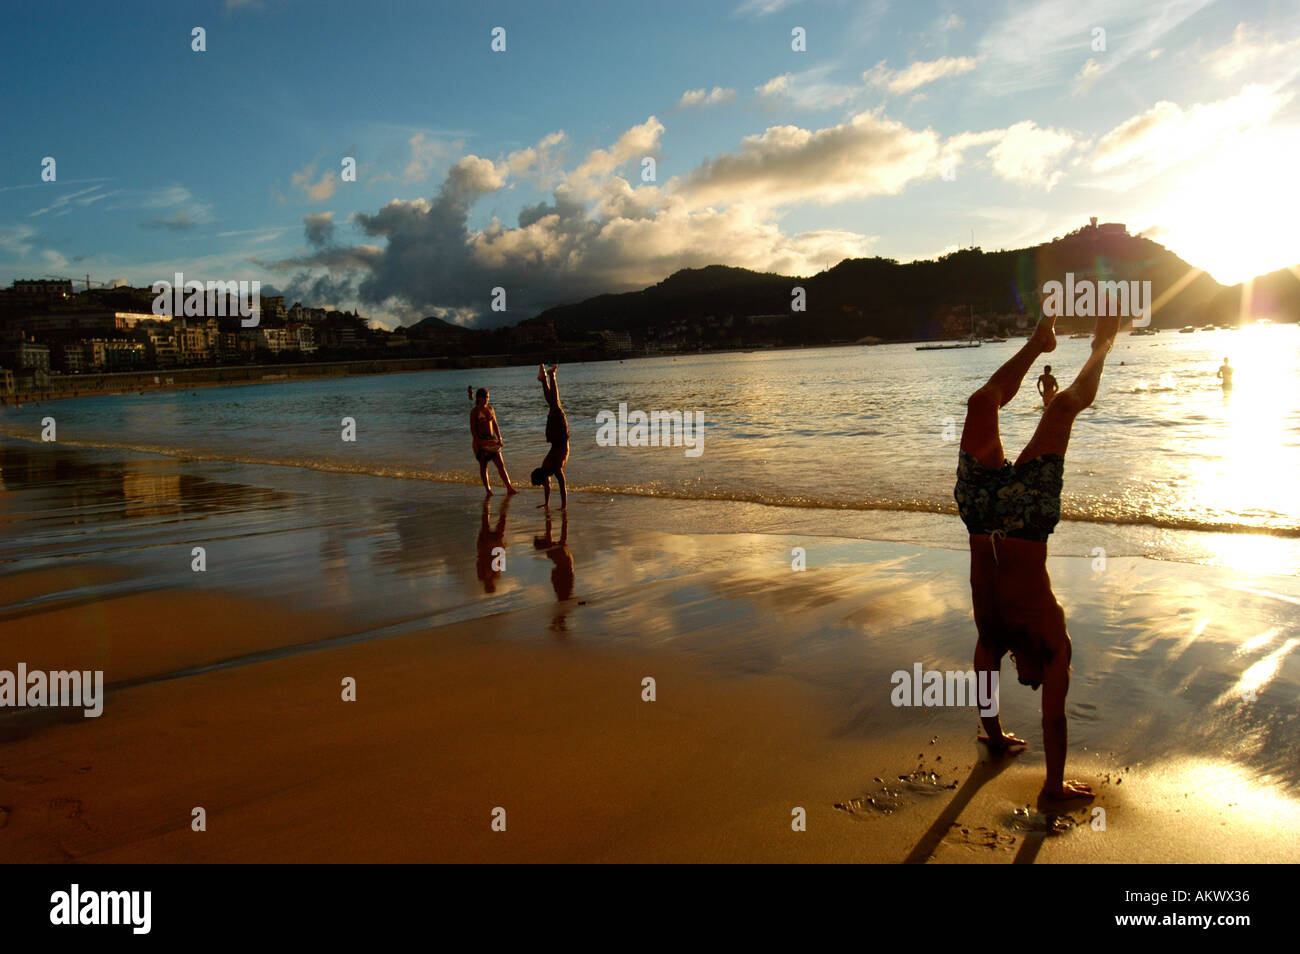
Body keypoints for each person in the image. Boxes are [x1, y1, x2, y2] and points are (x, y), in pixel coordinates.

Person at [954, 310, 1120, 801]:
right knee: (1063, 408)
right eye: (1034, 682)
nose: (1026, 681)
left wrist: (997, 733)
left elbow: (985, 688)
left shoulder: (992, 637)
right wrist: (1054, 785)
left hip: (980, 513)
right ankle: (1101, 346)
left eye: (1020, 681)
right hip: (1027, 516)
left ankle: (1039, 343)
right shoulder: (1055, 645)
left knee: (981, 401)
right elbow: (1055, 716)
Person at [530, 364, 569, 510]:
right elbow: (549, 486)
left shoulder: (554, 467)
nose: (544, 484)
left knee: (556, 405)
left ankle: (550, 376)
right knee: (553, 405)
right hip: (554, 437)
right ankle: (545, 379)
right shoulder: (545, 467)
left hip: (560, 436)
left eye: (542, 483)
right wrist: (547, 503)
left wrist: (564, 506)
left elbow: (562, 485)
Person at [470, 387, 517, 496]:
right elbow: (473, 428)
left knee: (501, 465)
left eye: (488, 397)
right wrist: (478, 442)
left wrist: (500, 438)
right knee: (483, 466)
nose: (486, 399)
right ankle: (488, 490)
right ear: (478, 398)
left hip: (492, 440)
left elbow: (495, 424)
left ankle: (509, 487)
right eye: (484, 397)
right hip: (481, 441)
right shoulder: (475, 411)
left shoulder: (490, 409)